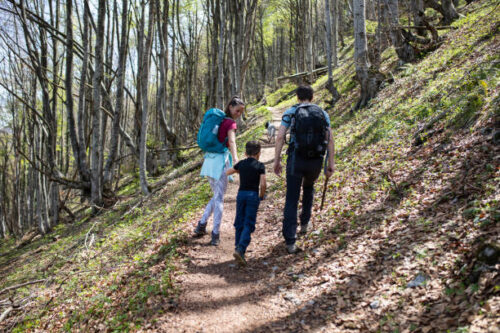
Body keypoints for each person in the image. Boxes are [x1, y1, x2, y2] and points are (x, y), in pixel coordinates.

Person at [273, 85, 335, 254]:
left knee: (292, 197)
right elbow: (329, 139)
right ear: (312, 97)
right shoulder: (323, 113)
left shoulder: (290, 112)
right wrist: (331, 164)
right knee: (309, 187)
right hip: (315, 160)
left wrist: (277, 160)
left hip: (296, 160)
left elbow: (279, 137)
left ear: (297, 97)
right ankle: (305, 224)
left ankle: (291, 240)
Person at [194, 96, 245, 245]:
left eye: (241, 111)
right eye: (237, 110)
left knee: (217, 195)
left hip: (209, 161)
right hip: (219, 163)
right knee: (219, 198)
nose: (239, 114)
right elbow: (232, 141)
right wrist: (236, 159)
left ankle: (202, 224)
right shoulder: (230, 123)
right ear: (230, 107)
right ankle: (215, 233)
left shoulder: (220, 121)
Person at [226, 141, 267, 266]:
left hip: (241, 195)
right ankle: (241, 248)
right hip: (252, 195)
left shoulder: (241, 164)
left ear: (245, 153)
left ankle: (237, 248)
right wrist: (261, 195)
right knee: (248, 223)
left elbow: (228, 172)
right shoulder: (260, 166)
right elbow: (263, 184)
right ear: (259, 153)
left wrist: (238, 171)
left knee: (239, 221)